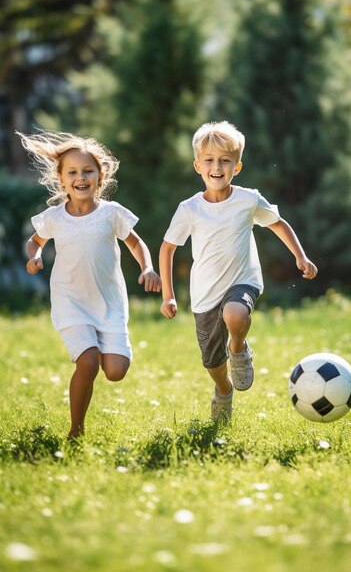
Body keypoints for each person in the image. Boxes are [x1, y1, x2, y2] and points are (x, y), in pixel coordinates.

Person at [159, 121, 318, 421]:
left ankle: (239, 347)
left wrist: (300, 256)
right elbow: (168, 249)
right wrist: (168, 295)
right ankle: (223, 390)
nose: (216, 167)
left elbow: (277, 223)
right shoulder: (189, 209)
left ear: (237, 167)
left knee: (235, 314)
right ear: (197, 166)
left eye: (224, 161)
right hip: (205, 294)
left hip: (242, 281)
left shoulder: (248, 199)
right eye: (209, 160)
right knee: (213, 365)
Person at [18, 129, 161, 439]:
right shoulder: (55, 217)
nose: (80, 177)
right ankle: (76, 430)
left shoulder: (111, 214)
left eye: (87, 171)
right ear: (61, 178)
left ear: (101, 175)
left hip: (108, 304)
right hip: (71, 301)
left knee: (115, 372)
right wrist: (35, 256)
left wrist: (148, 268)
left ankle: (113, 344)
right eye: (72, 172)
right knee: (88, 362)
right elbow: (35, 240)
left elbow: (136, 244)